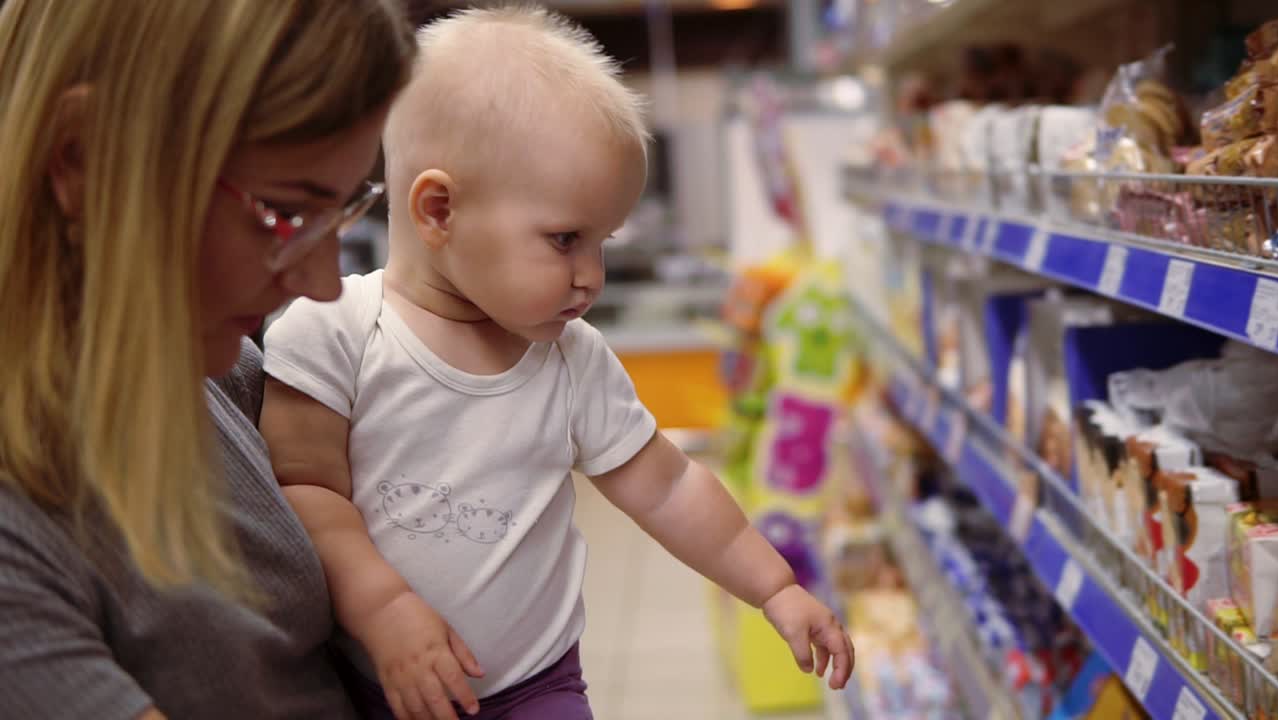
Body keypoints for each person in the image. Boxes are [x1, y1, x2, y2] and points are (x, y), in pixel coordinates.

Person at [260, 7, 855, 720]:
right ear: (439, 210)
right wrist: (384, 608)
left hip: (535, 687)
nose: (592, 276)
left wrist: (775, 586)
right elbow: (305, 491)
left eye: (602, 242)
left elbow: (666, 488)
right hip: (374, 684)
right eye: (566, 238)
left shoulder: (572, 360)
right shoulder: (334, 331)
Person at [0, 1, 417, 718]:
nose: (320, 284)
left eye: (343, 210)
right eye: (287, 213)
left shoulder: (208, 361)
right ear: (82, 156)